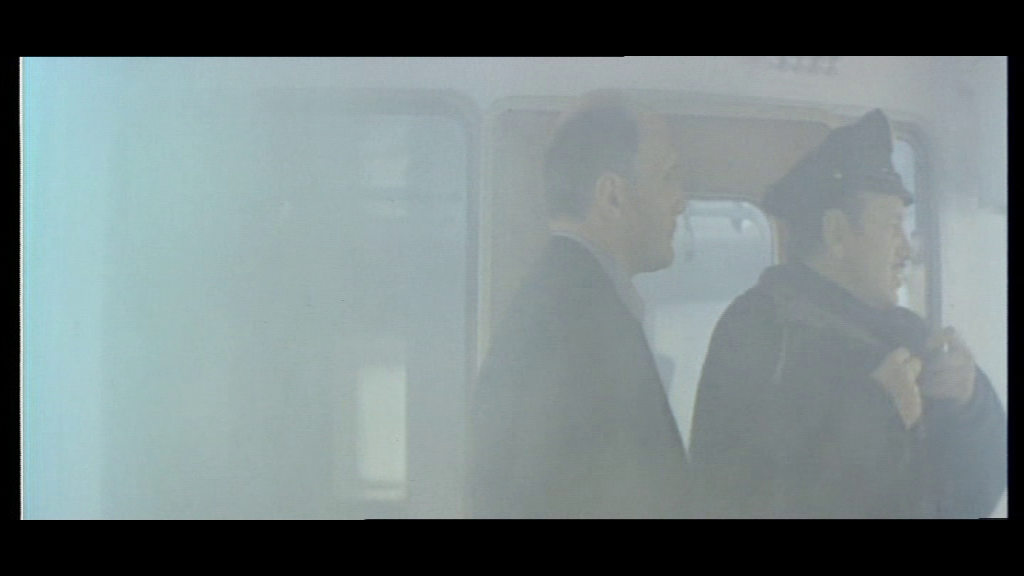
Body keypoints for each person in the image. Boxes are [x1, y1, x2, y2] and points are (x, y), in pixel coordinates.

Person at [688, 109, 1007, 518]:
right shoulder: (759, 332)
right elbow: (736, 499)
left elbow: (968, 501)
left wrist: (969, 404)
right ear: (837, 232)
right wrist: (876, 415)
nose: (906, 248)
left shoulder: (906, 332)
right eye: (892, 224)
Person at [469, 91, 690, 518]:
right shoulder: (580, 321)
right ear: (612, 196)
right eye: (668, 177)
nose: (680, 200)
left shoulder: (567, 299)